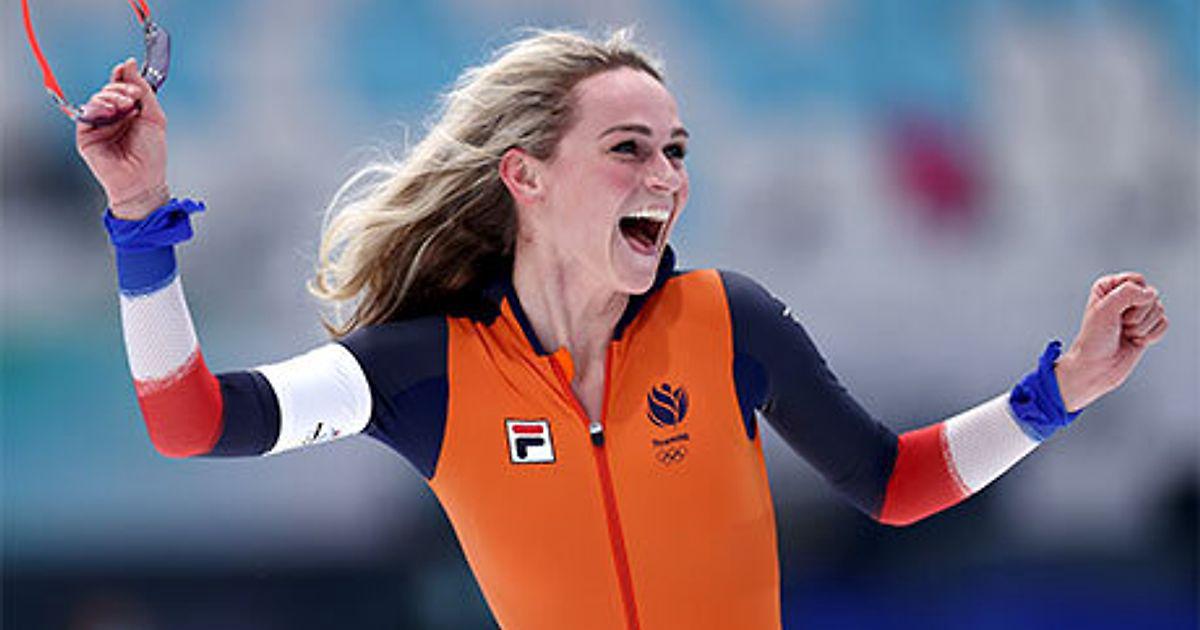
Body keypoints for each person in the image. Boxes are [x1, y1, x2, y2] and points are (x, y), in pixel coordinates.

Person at [77, 29, 1169, 630]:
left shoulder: (729, 321)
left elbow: (894, 482)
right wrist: (139, 224)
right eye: (629, 149)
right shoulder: (425, 369)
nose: (667, 177)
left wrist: (1060, 393)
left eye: (677, 150)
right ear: (527, 177)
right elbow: (189, 421)